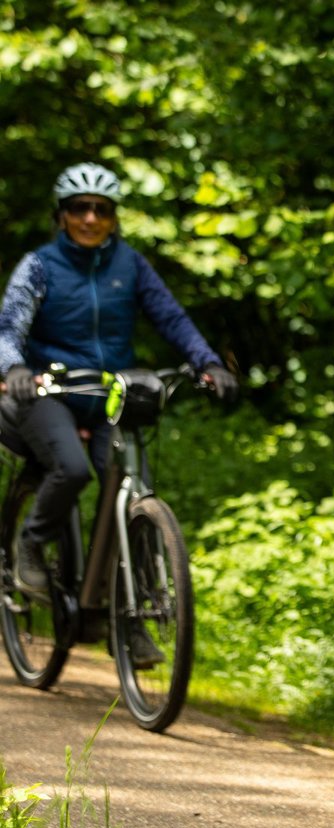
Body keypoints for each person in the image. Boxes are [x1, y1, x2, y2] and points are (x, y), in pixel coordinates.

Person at [0, 163, 237, 666]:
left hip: (110, 394)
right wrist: (14, 367)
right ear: (61, 216)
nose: (89, 217)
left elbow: (170, 316)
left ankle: (127, 622)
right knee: (72, 466)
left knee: (133, 491)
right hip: (48, 389)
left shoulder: (130, 265)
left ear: (113, 218)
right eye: (78, 209)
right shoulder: (40, 265)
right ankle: (29, 549)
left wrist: (208, 362)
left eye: (100, 210)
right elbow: (8, 327)